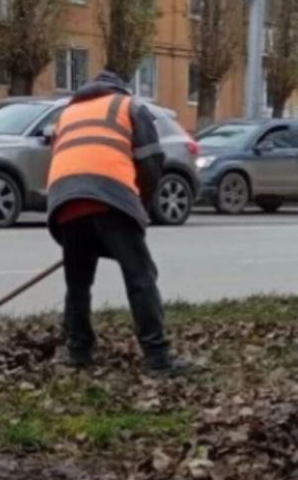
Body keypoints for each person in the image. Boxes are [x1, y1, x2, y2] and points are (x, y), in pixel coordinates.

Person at [46, 68, 190, 375]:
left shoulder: (67, 113)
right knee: (140, 275)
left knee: (78, 281)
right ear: (120, 89)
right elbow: (151, 164)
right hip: (109, 194)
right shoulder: (130, 107)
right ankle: (157, 358)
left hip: (65, 200)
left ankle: (78, 350)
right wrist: (141, 206)